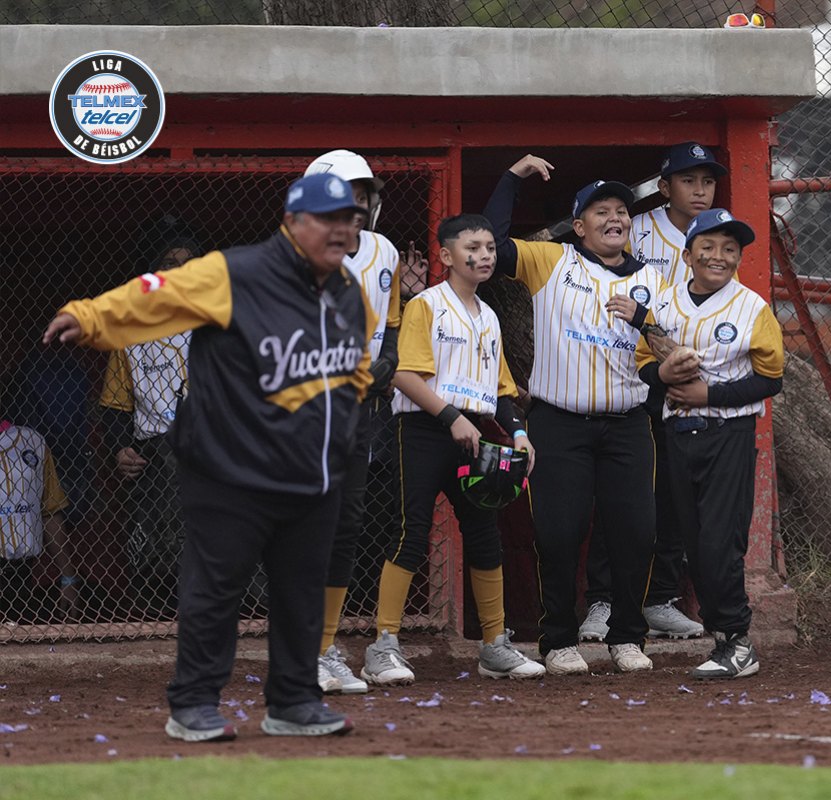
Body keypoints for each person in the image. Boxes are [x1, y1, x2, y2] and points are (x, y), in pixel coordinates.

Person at [42, 173, 372, 742]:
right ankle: (193, 704)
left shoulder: (347, 291)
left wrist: (342, 432)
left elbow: (354, 367)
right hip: (230, 470)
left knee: (301, 593)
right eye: (327, 219)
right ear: (293, 224)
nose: (341, 229)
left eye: (350, 218)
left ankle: (294, 701)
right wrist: (91, 317)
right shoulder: (236, 272)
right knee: (215, 591)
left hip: (312, 474)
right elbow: (157, 292)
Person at [482, 155, 664, 675]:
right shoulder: (552, 260)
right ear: (579, 226)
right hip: (559, 422)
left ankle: (627, 637)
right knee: (558, 534)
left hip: (628, 423)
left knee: (636, 534)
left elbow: (675, 353)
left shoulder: (655, 280)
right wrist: (510, 178)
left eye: (622, 211)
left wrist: (646, 321)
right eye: (601, 211)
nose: (615, 218)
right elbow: (491, 245)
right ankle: (558, 639)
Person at [360, 214, 544, 685]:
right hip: (423, 429)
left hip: (473, 430)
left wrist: (518, 433)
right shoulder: (427, 304)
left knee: (484, 533)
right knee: (411, 533)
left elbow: (501, 389)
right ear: (445, 255)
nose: (484, 256)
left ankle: (494, 645)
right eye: (472, 248)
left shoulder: (489, 316)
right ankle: (383, 646)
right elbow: (403, 375)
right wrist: (450, 417)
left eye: (489, 248)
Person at [581, 141, 727, 643]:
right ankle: (603, 600)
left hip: (691, 380)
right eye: (688, 180)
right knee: (623, 494)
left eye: (707, 181)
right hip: (630, 374)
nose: (700, 190)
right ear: (665, 186)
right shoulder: (637, 229)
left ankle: (660, 598)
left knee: (676, 492)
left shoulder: (718, 236)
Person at [635, 209, 784, 678]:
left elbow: (771, 379)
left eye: (729, 249)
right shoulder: (665, 303)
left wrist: (709, 394)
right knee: (696, 544)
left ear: (738, 258)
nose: (718, 256)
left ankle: (738, 641)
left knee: (721, 541)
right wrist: (663, 374)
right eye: (708, 247)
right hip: (678, 434)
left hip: (728, 434)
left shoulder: (751, 307)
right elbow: (643, 363)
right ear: (688, 255)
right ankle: (722, 640)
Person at [301, 150, 427, 696]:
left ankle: (325, 647)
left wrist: (389, 359)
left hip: (361, 409)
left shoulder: (384, 249)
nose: (356, 204)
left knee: (346, 525)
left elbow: (392, 319)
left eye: (362, 194)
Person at [98, 233, 199, 618]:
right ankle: (157, 623)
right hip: (157, 457)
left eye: (188, 263)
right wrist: (119, 448)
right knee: (158, 555)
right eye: (169, 263)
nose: (179, 271)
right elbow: (115, 404)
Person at [0, 406, 80, 625]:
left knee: (20, 635)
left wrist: (68, 576)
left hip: (20, 571)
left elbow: (50, 512)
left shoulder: (31, 442)